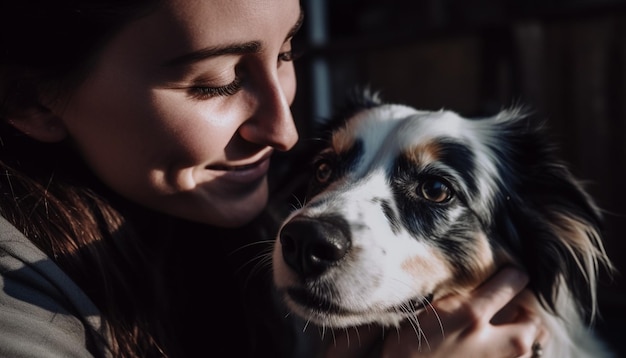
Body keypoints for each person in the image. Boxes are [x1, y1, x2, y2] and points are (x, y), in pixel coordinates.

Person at [0, 0, 548, 357]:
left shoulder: (223, 229)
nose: (285, 133)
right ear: (34, 101)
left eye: (286, 53)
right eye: (213, 82)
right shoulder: (15, 308)